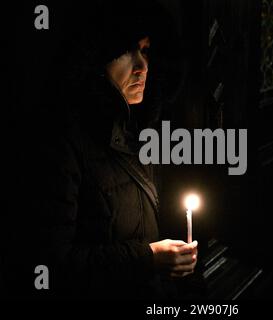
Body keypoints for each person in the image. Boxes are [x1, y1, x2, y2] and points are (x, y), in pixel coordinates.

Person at [5, 0, 197, 299]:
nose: (142, 65)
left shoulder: (136, 135)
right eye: (125, 51)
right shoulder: (61, 142)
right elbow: (49, 265)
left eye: (145, 51)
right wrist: (148, 259)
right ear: (96, 58)